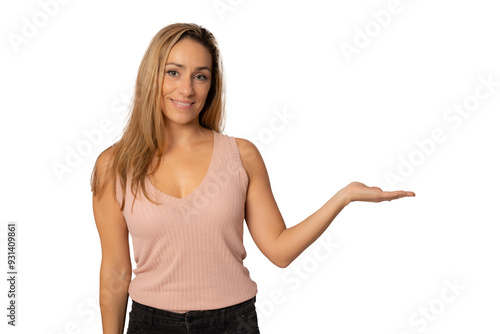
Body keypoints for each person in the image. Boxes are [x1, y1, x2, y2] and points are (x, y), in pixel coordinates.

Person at [90, 23, 415, 334]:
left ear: (211, 84)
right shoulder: (115, 165)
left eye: (200, 76)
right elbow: (116, 273)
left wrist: (343, 196)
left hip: (233, 323)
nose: (186, 88)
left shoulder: (241, 157)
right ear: (152, 76)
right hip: (150, 325)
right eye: (173, 72)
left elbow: (279, 250)